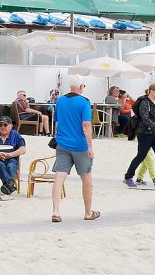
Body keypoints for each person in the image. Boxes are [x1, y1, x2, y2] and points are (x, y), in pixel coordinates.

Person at [51, 74, 98, 223]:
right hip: (79, 145)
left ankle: (56, 211)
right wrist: (90, 146)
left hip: (63, 143)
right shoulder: (84, 102)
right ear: (81, 87)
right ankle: (88, 211)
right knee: (86, 178)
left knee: (59, 177)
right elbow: (86, 125)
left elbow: (57, 121)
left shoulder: (60, 101)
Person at [124, 83, 155, 189]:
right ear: (151, 91)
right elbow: (145, 119)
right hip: (145, 134)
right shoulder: (145, 102)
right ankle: (128, 177)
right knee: (140, 156)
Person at [0, 116, 27, 195]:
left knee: (11, 166)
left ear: (11, 126)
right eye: (0, 125)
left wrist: (10, 155)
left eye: (5, 125)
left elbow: (23, 149)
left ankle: (7, 185)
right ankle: (10, 185)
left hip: (11, 159)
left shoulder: (15, 136)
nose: (2, 127)